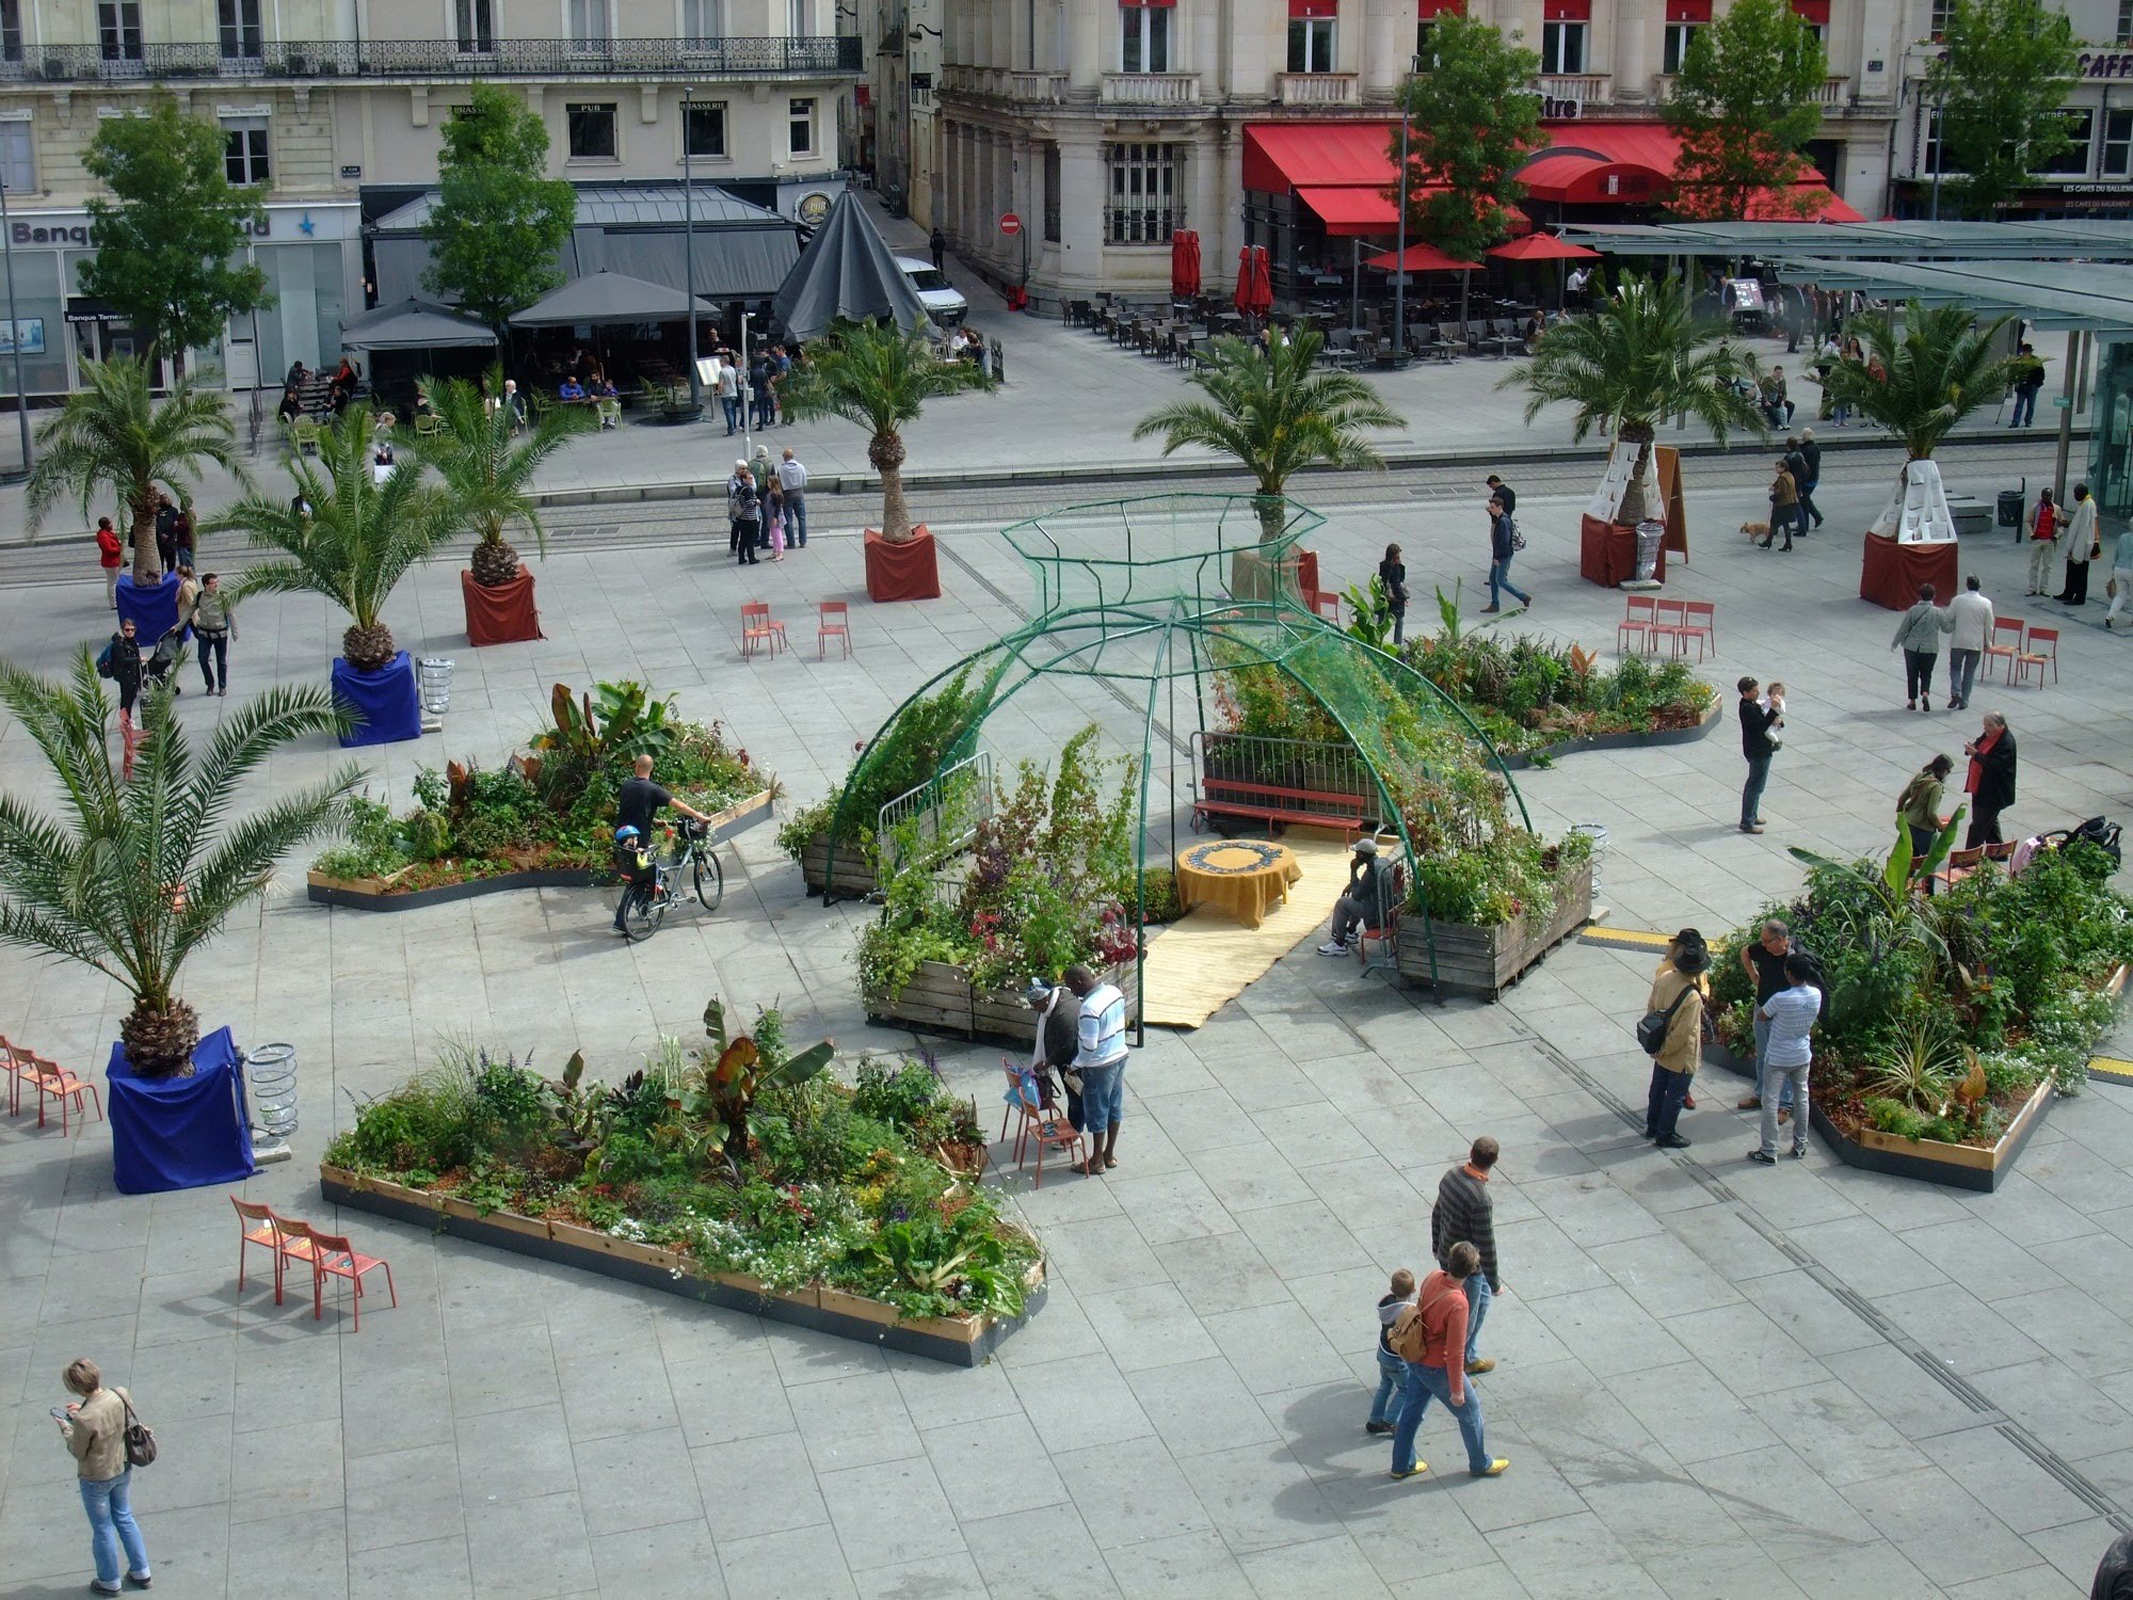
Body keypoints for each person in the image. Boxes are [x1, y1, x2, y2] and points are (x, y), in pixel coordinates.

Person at [1387, 1242, 1509, 1482]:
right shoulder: (1458, 1303)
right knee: (1471, 1412)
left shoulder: (1433, 1277)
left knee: (1411, 1413)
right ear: (1473, 1268)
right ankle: (1480, 1463)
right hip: (1436, 1367)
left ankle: (1401, 1464)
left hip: (1417, 1358)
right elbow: (1454, 1352)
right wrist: (1456, 1390)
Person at [56, 1357, 151, 1595]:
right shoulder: (119, 1394)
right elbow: (108, 1416)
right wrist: (84, 1409)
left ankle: (109, 1581)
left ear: (76, 1387)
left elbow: (77, 1450)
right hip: (123, 1467)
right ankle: (142, 1571)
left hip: (96, 1477)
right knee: (125, 1516)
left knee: (103, 1527)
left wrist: (67, 1428)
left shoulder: (84, 1419)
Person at [610, 754, 714, 935]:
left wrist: (654, 819)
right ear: (651, 769)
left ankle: (643, 904)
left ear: (637, 767)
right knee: (639, 877)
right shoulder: (653, 790)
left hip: (622, 836)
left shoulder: (627, 786)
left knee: (637, 872)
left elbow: (635, 807)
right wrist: (700, 816)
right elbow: (679, 805)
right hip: (638, 840)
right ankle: (621, 919)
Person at [1430, 1137, 1504, 1374]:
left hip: (1446, 1252)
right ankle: (1454, 1370)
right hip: (1468, 1268)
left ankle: (1468, 1357)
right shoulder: (1480, 1199)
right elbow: (1486, 1243)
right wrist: (1494, 1283)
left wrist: (1435, 1243)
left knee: (1480, 1305)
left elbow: (1438, 1212)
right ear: (1495, 1161)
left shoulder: (1451, 1176)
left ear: (1471, 1152)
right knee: (1465, 1321)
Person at [1749, 954, 1823, 1165]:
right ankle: (1800, 1146)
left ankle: (1769, 1150)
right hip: (1802, 1055)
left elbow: (1762, 1015)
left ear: (1789, 973)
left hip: (1778, 1057)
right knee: (1801, 1099)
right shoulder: (1816, 995)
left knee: (1770, 1101)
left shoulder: (1781, 999)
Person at [1643, 928, 1708, 1149]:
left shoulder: (1665, 978)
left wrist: (1658, 1046)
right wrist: (1667, 1048)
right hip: (1680, 1055)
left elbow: (1651, 1007)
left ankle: (1652, 1125)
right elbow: (1683, 1032)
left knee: (1657, 1088)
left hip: (1659, 1044)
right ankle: (1666, 1133)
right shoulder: (1693, 997)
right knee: (1676, 1095)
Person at [1064, 963, 1128, 1176]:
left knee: (1096, 1111)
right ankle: (1109, 1155)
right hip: (1119, 1056)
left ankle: (1096, 1161)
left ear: (1079, 982)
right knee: (1114, 1106)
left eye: (1072, 987)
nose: (1073, 992)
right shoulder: (1114, 991)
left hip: (1099, 1065)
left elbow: (1089, 1046)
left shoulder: (1089, 1008)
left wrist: (1074, 1066)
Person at [1736, 919, 1803, 1121]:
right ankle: (1761, 1094)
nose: (1763, 945)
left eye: (1767, 941)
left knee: (1784, 1059)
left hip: (1783, 1016)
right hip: (1762, 1008)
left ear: (1781, 939)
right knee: (1763, 1055)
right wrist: (1753, 976)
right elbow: (1745, 953)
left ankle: (1784, 1105)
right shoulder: (1764, 948)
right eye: (1762, 941)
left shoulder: (1795, 958)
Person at [1024, 977, 1084, 1132]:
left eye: (1036, 1004)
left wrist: (1047, 1062)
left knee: (1076, 1097)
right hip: (1068, 1062)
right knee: (1075, 1097)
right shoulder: (1053, 1006)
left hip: (1072, 1066)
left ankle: (1075, 1133)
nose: (1035, 1008)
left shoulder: (1064, 1015)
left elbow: (1065, 1046)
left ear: (1045, 999)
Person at [1318, 836, 1391, 956]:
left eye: (1357, 853)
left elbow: (1357, 895)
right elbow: (1364, 886)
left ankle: (1339, 943)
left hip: (1376, 915)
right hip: (1385, 908)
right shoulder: (1383, 862)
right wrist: (1352, 884)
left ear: (1362, 854)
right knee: (1354, 897)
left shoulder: (1372, 871)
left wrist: (1353, 871)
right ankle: (1350, 931)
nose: (1355, 856)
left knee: (1342, 903)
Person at [1367, 1268, 1417, 1436]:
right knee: (1406, 1389)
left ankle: (1374, 1420)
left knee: (1385, 1385)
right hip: (1396, 1358)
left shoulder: (1386, 1305)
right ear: (1414, 1290)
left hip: (1383, 1353)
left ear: (1391, 1289)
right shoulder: (1408, 1311)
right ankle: (1390, 1421)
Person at [1890, 583, 1952, 712]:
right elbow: (1947, 629)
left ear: (1920, 595)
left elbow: (1904, 628)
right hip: (1930, 648)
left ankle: (1912, 701)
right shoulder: (1938, 612)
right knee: (1927, 673)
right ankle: (1925, 693)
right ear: (1933, 596)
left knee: (1912, 674)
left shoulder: (1913, 610)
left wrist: (1895, 643)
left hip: (1912, 647)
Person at [1963, 711, 2017, 848]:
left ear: (2000, 726)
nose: (1985, 729)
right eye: (1984, 725)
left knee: (1978, 825)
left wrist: (1976, 755)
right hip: (1979, 787)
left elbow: (1995, 764)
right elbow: (1979, 743)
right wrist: (1971, 748)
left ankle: (1967, 858)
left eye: (1988, 726)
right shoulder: (1989, 734)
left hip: (1993, 792)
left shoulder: (2006, 743)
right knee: (1989, 822)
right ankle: (1998, 851)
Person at [1738, 675, 1779, 835]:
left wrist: (1776, 719)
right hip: (1758, 751)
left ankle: (1752, 815)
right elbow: (1761, 725)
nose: (1758, 692)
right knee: (1755, 786)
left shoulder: (1752, 705)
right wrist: (1774, 710)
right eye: (1754, 690)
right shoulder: (1747, 708)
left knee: (1756, 785)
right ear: (1745, 692)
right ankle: (1747, 821)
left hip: (1759, 748)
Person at [1946, 575, 1995, 708]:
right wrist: (1988, 643)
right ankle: (1965, 700)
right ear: (1979, 586)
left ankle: (1956, 691)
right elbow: (1989, 625)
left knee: (1955, 667)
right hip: (1976, 643)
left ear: (1967, 585)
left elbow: (1948, 617)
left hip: (1958, 641)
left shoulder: (1957, 600)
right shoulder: (1986, 603)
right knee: (1970, 672)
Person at [1897, 755, 1955, 865]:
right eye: (1948, 771)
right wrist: (1941, 826)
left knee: (1910, 861)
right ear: (1943, 770)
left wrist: (1900, 817)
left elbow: (1901, 800)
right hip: (1923, 828)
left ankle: (1907, 882)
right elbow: (1931, 813)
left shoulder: (1919, 778)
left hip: (1908, 823)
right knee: (1929, 863)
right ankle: (1928, 883)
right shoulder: (1935, 786)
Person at [191, 573, 236, 697]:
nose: (216, 585)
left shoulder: (223, 596)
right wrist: (178, 626)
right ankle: (210, 683)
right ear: (206, 585)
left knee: (221, 661)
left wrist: (235, 632)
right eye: (213, 583)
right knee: (202, 659)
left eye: (217, 582)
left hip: (220, 634)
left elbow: (230, 614)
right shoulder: (200, 596)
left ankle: (222, 686)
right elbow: (190, 611)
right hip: (205, 633)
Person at [1483, 495, 1529, 614]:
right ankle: (1495, 604)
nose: (1490, 509)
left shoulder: (1503, 521)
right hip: (1499, 554)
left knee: (1500, 580)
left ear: (1499, 507)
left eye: (1492, 507)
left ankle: (1523, 596)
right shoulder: (1502, 518)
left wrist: (1497, 557)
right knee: (1493, 579)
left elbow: (1503, 541)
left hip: (1503, 555)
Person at [2058, 483, 2100, 605]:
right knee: (2071, 571)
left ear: (2082, 493)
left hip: (2080, 547)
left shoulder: (2087, 505)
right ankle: (2068, 592)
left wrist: (2077, 550)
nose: (2074, 495)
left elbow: (2084, 529)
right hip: (2076, 546)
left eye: (2076, 493)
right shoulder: (2084, 504)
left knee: (2080, 574)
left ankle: (2079, 597)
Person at [2027, 488, 2060, 596]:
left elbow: (2060, 524)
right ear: (2042, 496)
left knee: (2047, 566)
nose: (2047, 498)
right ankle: (2032, 588)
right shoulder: (2035, 508)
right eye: (2045, 495)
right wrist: (2032, 534)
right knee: (2034, 565)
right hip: (2038, 540)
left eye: (2049, 496)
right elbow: (2028, 521)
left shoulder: (2056, 509)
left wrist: (2057, 535)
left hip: (2049, 540)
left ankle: (2043, 588)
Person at [728, 459, 760, 562]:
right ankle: (750, 557)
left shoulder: (742, 487)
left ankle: (741, 557)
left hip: (742, 515)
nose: (745, 470)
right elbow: (749, 502)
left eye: (746, 468)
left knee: (743, 537)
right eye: (742, 468)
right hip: (748, 516)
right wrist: (756, 501)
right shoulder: (737, 483)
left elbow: (754, 487)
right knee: (748, 537)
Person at [1763, 458, 1798, 551]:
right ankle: (1787, 543)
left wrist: (1774, 495)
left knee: (1774, 523)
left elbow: (1782, 491)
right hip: (1791, 503)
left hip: (1783, 504)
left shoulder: (1782, 478)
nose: (1776, 469)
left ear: (1783, 468)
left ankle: (1768, 541)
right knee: (1785, 524)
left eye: (1778, 467)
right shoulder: (1789, 475)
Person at [778, 448, 809, 548]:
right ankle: (803, 541)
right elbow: (804, 481)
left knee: (788, 519)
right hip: (799, 494)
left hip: (787, 495)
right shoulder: (800, 467)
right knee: (802, 518)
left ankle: (791, 542)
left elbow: (779, 483)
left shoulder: (781, 469)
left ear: (784, 457)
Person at [2010, 341, 2046, 429]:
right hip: (2021, 385)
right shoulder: (2018, 361)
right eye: (2024, 352)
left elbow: (2041, 374)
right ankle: (2015, 421)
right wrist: (2010, 382)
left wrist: (2037, 383)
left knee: (2031, 405)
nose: (2025, 354)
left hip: (2032, 386)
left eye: (2027, 352)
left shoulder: (2036, 361)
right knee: (2019, 404)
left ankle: (2028, 421)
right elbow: (2012, 373)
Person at [1378, 542, 1408, 644]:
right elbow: (1397, 584)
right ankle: (1397, 645)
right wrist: (1403, 598)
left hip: (1384, 599)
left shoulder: (1383, 565)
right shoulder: (1396, 568)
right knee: (1399, 623)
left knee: (1381, 622)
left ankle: (1378, 642)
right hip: (1395, 601)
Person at [2106, 522, 2133, 629]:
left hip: (2119, 568)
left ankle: (2110, 616)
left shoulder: (2123, 537)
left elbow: (2116, 554)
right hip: (2131, 569)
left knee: (2120, 594)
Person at [94, 517, 123, 608]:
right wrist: (119, 548)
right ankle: (114, 603)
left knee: (114, 581)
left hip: (113, 560)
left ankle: (115, 601)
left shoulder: (107, 533)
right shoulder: (104, 536)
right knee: (113, 582)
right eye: (110, 523)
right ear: (106, 525)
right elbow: (108, 549)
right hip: (111, 562)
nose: (112, 525)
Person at [1797, 428, 1823, 528]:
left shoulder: (1807, 450)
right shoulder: (1815, 447)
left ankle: (1805, 524)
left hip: (1808, 480)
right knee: (1805, 499)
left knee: (1804, 500)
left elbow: (1806, 466)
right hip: (1813, 478)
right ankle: (1815, 518)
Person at [716, 358, 742, 435]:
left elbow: (720, 384)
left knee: (728, 412)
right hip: (734, 392)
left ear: (723, 362)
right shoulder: (733, 369)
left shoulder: (722, 372)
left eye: (720, 362)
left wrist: (719, 392)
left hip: (726, 394)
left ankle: (731, 429)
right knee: (733, 411)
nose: (720, 364)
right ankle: (734, 426)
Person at [764, 478, 787, 562]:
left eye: (768, 482)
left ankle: (780, 553)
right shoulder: (772, 492)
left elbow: (777, 507)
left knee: (777, 535)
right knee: (774, 535)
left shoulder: (775, 494)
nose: (767, 484)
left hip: (775, 517)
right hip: (771, 516)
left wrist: (775, 517)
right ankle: (775, 551)